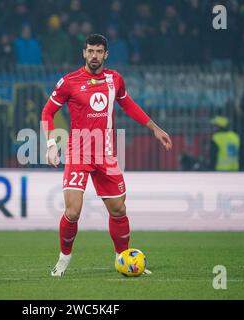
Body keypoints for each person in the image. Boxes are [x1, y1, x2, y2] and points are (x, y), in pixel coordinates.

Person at [41, 34, 172, 277]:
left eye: (99, 51)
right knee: (72, 212)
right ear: (83, 53)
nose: (94, 56)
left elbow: (128, 104)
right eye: (90, 51)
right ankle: (63, 258)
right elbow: (48, 112)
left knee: (118, 210)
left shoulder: (115, 80)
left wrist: (155, 128)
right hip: (78, 151)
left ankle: (123, 258)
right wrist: (51, 144)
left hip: (106, 153)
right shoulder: (69, 82)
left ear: (106, 54)